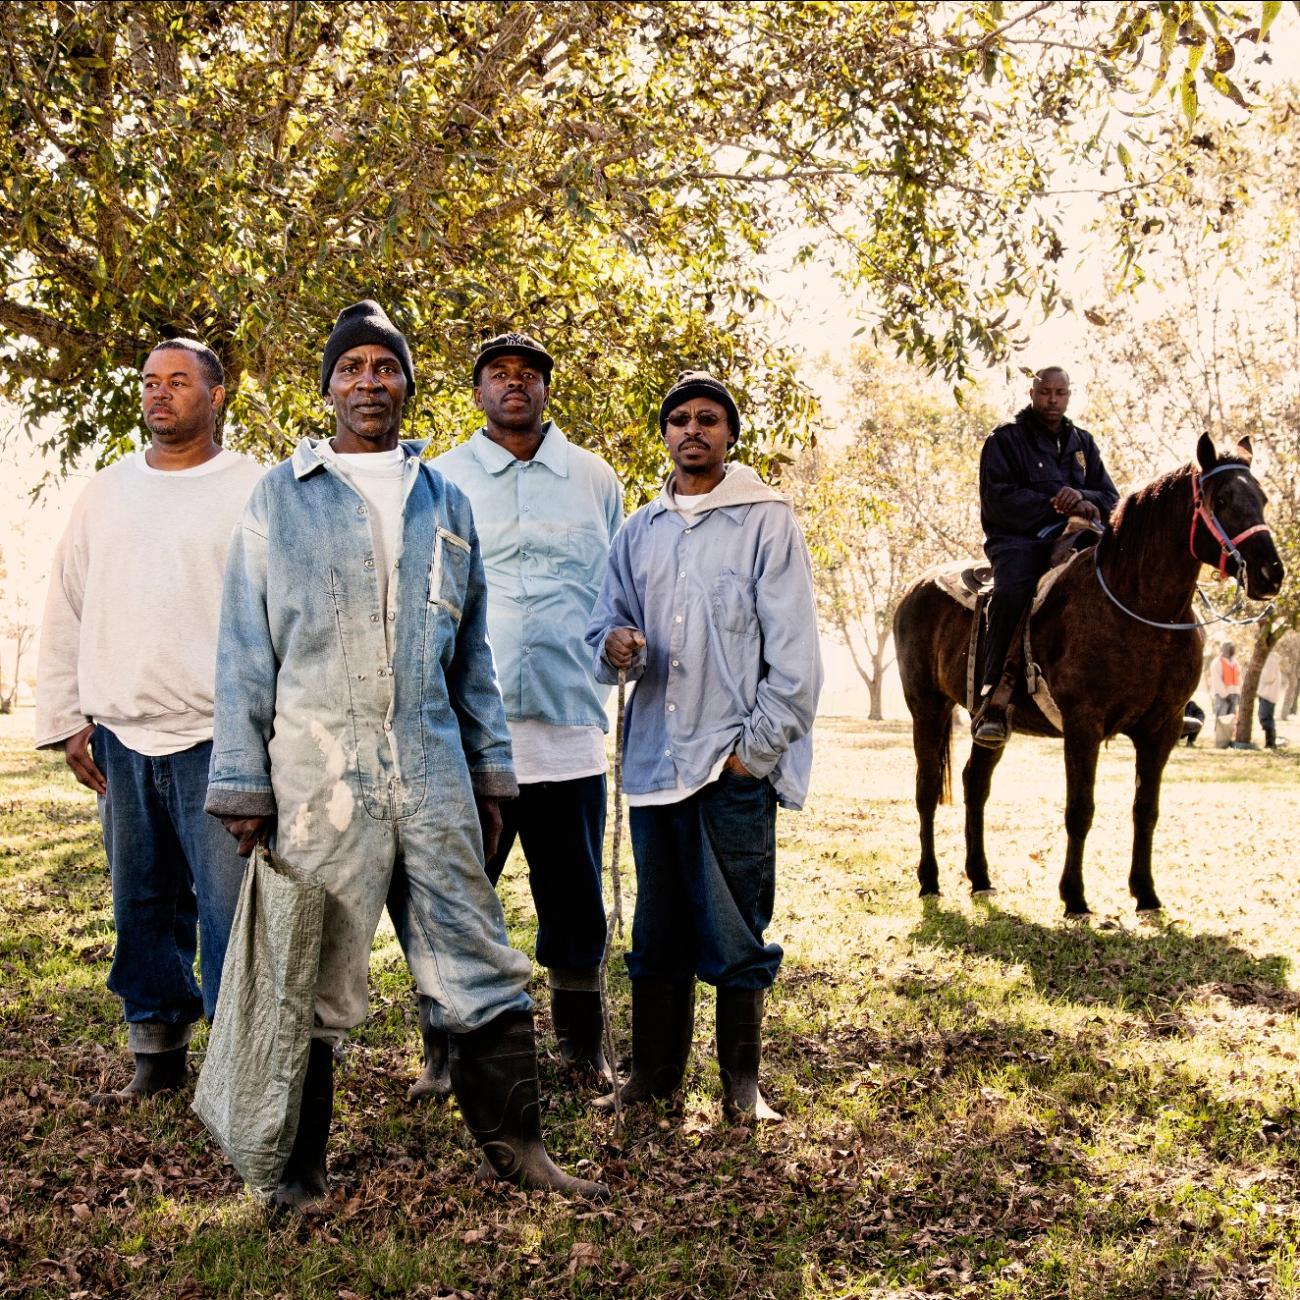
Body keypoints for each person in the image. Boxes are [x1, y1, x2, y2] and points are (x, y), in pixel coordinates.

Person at [205, 301, 606, 1208]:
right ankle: (295, 1172)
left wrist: (491, 769)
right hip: (316, 773)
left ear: (408, 384)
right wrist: (242, 781)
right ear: (329, 388)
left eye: (385, 368)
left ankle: (522, 1151)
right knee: (309, 964)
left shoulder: (444, 500)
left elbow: (472, 657)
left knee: (477, 949)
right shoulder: (282, 495)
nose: (368, 383)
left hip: (429, 766)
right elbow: (241, 648)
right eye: (351, 369)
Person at [586, 370, 822, 1122]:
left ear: (730, 436)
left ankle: (741, 1088)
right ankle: (653, 1080)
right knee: (657, 932)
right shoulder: (639, 530)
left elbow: (794, 658)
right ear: (665, 434)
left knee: (736, 927)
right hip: (656, 762)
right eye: (680, 418)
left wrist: (752, 753)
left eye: (709, 420)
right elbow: (603, 625)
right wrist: (616, 643)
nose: (694, 430)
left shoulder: (765, 521)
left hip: (731, 765)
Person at [36, 338, 263, 1103]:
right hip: (122, 737)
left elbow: (280, 618)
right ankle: (157, 1056)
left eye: (177, 382)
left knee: (230, 912)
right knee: (140, 904)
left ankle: (238, 1069)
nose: (159, 394)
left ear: (218, 394)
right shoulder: (106, 493)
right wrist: (69, 717)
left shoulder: (254, 490)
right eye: (149, 383)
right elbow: (66, 605)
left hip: (220, 737)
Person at [397, 332, 622, 1100]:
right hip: (465, 739)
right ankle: (444, 1054)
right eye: (499, 375)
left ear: (547, 391)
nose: (514, 385)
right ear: (477, 392)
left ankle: (582, 1049)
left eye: (528, 375)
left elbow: (617, 589)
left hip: (566, 731)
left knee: (573, 900)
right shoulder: (439, 478)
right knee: (455, 897)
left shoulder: (594, 478)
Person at [973, 366, 1118, 747]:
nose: (1052, 400)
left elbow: (1110, 497)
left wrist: (1084, 499)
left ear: (1069, 395)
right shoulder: (1005, 440)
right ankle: (994, 696)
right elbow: (998, 499)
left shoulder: (1083, 443)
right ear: (1032, 392)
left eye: (1060, 393)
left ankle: (1154, 691)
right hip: (1020, 540)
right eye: (1045, 392)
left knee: (1126, 576)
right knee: (1011, 593)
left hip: (1079, 537)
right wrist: (1056, 502)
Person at [1210, 641, 1241, 748]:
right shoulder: (1217, 662)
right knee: (1221, 718)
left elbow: (1238, 678)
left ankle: (1228, 741)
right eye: (1230, 648)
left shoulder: (1235, 662)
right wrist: (1225, 695)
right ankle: (1219, 741)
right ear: (1224, 649)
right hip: (1222, 696)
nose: (1233, 650)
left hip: (1234, 694)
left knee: (1231, 720)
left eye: (1233, 647)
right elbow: (1217, 680)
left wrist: (1238, 693)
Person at [1257, 647, 1282, 749]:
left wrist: (1258, 672)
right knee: (1266, 717)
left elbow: (1268, 677)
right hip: (1268, 694)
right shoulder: (1270, 659)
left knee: (1265, 718)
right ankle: (1270, 742)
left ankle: (1270, 743)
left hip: (1268, 695)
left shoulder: (1270, 659)